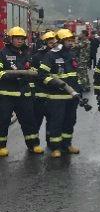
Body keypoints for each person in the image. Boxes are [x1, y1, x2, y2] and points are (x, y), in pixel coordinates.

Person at [0, 27, 44, 156]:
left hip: (25, 93)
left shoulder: (28, 54)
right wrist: (13, 75)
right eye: (17, 38)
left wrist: (32, 89)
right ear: (10, 39)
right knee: (3, 120)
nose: (20, 41)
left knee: (29, 120)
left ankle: (33, 145)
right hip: (7, 94)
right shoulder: (3, 53)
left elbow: (34, 72)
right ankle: (1, 146)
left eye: (22, 39)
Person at [39, 28, 82, 158]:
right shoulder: (51, 55)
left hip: (71, 97)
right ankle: (55, 147)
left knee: (70, 121)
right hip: (56, 97)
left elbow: (75, 75)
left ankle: (67, 144)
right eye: (68, 41)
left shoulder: (72, 54)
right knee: (56, 122)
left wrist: (79, 89)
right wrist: (56, 84)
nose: (71, 43)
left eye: (71, 40)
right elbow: (42, 75)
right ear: (61, 41)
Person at [30, 31, 58, 133]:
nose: (53, 45)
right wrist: (32, 92)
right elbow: (32, 76)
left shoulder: (59, 56)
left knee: (52, 121)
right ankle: (34, 144)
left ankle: (51, 143)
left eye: (54, 43)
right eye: (50, 43)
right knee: (36, 121)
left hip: (54, 94)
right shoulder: (37, 57)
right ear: (45, 43)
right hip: (39, 95)